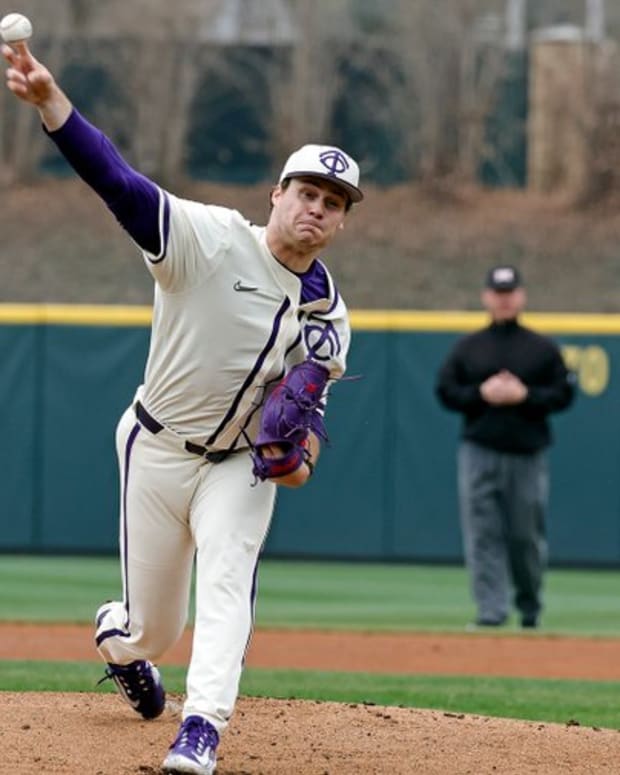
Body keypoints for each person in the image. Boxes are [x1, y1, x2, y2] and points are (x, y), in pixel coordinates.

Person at [2, 39, 363, 775]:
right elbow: (121, 185)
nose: (316, 209)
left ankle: (201, 729)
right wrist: (52, 107)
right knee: (153, 626)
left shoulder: (329, 316)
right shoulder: (206, 239)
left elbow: (311, 414)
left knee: (228, 580)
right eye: (306, 193)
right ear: (277, 194)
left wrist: (299, 459)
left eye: (332, 204)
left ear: (341, 222)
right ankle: (120, 639)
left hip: (238, 466)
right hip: (157, 449)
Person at [435, 265, 575, 630]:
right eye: (498, 293)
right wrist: (481, 393)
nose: (504, 299)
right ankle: (491, 612)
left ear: (521, 296)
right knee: (482, 534)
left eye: (510, 292)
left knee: (524, 536)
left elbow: (563, 394)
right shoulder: (469, 347)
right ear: (487, 297)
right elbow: (446, 392)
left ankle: (530, 607)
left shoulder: (541, 348)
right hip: (479, 449)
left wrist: (525, 395)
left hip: (526, 452)